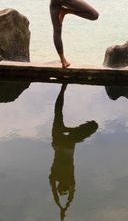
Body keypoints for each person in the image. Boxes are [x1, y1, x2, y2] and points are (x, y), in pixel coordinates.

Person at [49, 83, 98, 220]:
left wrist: (64, 208)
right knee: (57, 113)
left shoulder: (69, 179)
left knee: (94, 126)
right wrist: (61, 207)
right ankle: (62, 90)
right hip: (59, 142)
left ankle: (63, 90)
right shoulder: (54, 178)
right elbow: (55, 192)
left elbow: (70, 195)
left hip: (67, 144)